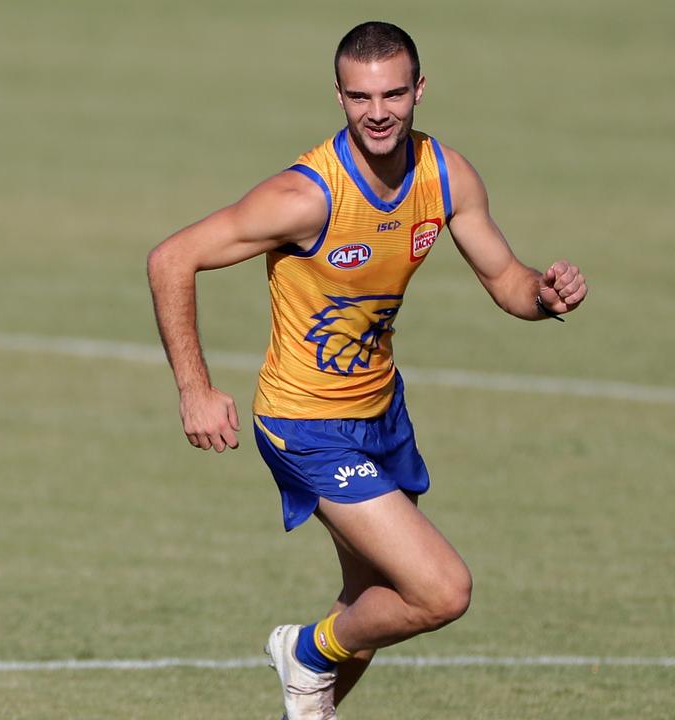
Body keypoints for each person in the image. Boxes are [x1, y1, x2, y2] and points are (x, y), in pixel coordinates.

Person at [147, 21, 586, 719]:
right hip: (306, 424)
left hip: (382, 413)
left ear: (419, 89)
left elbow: (506, 277)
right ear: (339, 96)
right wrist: (194, 390)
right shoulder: (306, 196)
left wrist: (542, 294)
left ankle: (313, 696)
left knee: (374, 602)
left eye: (391, 94)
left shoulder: (444, 175)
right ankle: (308, 650)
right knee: (440, 590)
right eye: (359, 97)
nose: (377, 111)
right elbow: (171, 258)